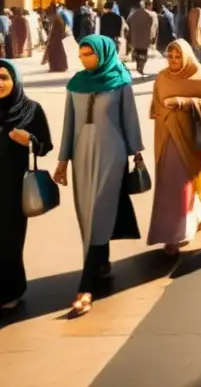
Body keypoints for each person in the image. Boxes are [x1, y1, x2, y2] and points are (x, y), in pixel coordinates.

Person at [53, 35, 144, 318]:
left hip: (112, 155)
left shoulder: (120, 81)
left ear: (102, 53)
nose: (84, 59)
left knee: (100, 211)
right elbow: (69, 125)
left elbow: (130, 120)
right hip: (81, 157)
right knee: (86, 214)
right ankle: (100, 262)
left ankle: (86, 286)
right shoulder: (76, 84)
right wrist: (62, 161)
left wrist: (136, 154)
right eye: (81, 54)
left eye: (89, 54)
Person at [148, 40, 201, 255]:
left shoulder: (199, 75)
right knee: (169, 186)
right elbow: (155, 107)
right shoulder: (162, 77)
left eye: (177, 57)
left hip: (188, 140)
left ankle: (176, 236)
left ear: (186, 56)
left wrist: (184, 102)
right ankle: (195, 216)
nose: (173, 61)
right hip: (165, 138)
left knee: (181, 186)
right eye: (170, 57)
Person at [0, 59, 53, 311]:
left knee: (9, 241)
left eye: (3, 78)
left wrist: (29, 139)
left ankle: (11, 290)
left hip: (12, 190)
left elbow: (44, 146)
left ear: (15, 80)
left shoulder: (30, 110)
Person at [127, 0, 157, 76]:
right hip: (144, 38)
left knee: (137, 52)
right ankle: (141, 66)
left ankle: (138, 65)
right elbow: (151, 26)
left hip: (136, 38)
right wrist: (152, 37)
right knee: (143, 53)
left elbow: (128, 25)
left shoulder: (132, 15)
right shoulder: (148, 15)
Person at [41, 4, 69, 73]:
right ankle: (56, 67)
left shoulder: (55, 17)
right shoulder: (56, 17)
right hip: (55, 38)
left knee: (56, 53)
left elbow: (58, 29)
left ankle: (58, 67)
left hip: (56, 38)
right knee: (55, 53)